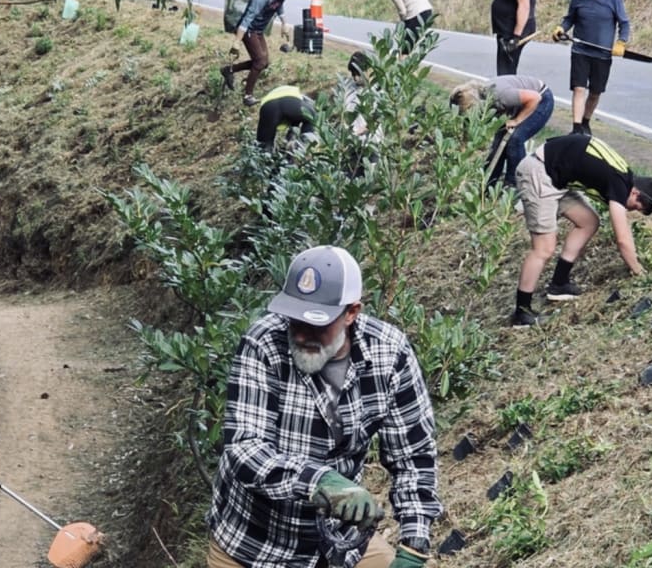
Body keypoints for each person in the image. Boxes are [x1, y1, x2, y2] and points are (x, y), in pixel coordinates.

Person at [206, 245, 442, 568]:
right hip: (254, 546)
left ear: (351, 313)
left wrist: (413, 548)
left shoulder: (390, 355)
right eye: (295, 321)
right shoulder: (263, 344)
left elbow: (413, 459)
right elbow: (245, 449)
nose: (302, 334)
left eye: (317, 324)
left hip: (335, 546)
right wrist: (319, 481)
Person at [511, 134, 652, 327]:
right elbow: (622, 239)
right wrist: (638, 271)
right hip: (540, 173)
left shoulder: (621, 175)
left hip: (557, 177)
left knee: (589, 222)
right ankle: (521, 313)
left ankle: (559, 284)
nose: (630, 211)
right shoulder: (619, 183)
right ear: (635, 192)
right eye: (634, 207)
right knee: (543, 248)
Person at [551, 0, 630, 135]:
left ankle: (585, 121)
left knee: (595, 92)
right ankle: (576, 127)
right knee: (579, 88)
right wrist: (561, 28)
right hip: (580, 51)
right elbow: (570, 18)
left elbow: (624, 23)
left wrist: (621, 42)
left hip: (602, 54)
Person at [450, 75, 554, 191]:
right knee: (497, 146)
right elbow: (467, 132)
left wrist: (517, 120)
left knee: (515, 139)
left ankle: (513, 185)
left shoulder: (500, 95)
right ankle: (487, 187)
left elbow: (534, 98)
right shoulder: (477, 102)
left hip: (541, 100)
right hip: (519, 104)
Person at [223, 0, 297, 107]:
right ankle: (247, 96)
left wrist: (284, 23)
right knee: (260, 61)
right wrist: (237, 41)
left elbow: (279, 7)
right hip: (248, 30)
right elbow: (247, 17)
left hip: (259, 31)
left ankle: (229, 70)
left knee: (265, 63)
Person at [255, 85, 317, 151]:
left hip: (269, 106)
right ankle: (302, 149)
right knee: (311, 119)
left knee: (263, 146)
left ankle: (265, 156)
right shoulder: (305, 102)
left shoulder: (275, 93)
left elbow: (294, 128)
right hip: (292, 103)